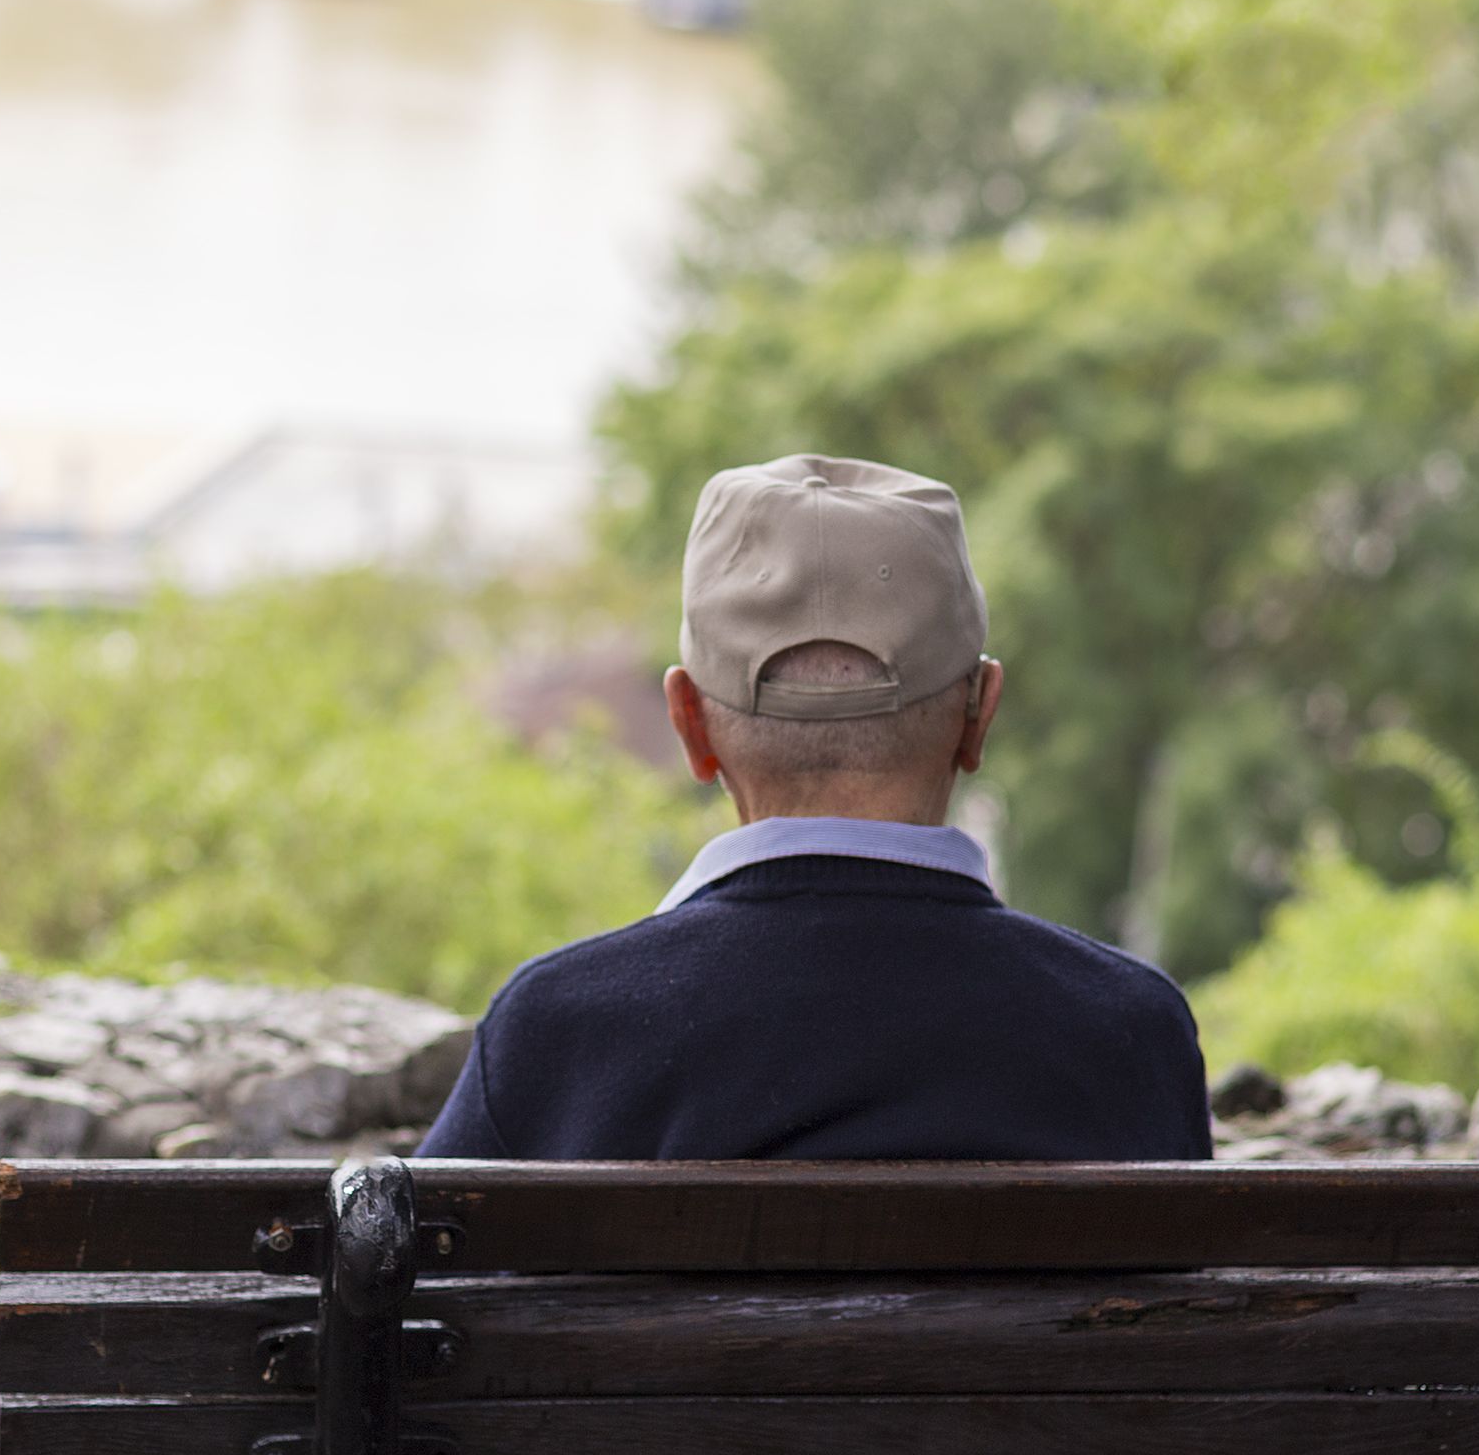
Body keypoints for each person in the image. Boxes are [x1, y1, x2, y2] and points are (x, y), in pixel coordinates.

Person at [419, 451, 1210, 1162]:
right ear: (979, 717)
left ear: (690, 725)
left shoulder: (556, 1036)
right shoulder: (1132, 1032)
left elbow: (398, 1289)